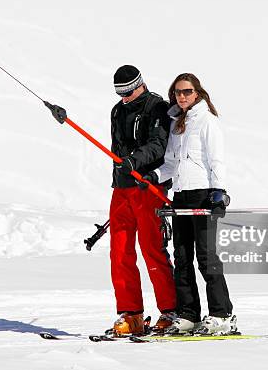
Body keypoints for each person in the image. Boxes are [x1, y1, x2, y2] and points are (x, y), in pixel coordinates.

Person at [142, 73, 236, 335]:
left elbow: (217, 159)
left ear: (197, 93)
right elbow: (171, 164)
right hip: (181, 196)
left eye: (187, 91)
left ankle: (222, 314)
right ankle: (188, 315)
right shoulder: (176, 124)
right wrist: (154, 177)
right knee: (182, 257)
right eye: (177, 92)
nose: (181, 96)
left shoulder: (207, 121)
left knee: (206, 257)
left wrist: (219, 191)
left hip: (203, 195)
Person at [108, 65, 177, 335]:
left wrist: (134, 162)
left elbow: (158, 145)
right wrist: (122, 168)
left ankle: (170, 311)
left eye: (128, 91)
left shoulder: (157, 107)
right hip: (122, 189)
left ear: (141, 84)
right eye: (119, 93)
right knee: (120, 252)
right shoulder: (117, 110)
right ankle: (132, 314)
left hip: (149, 187)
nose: (124, 97)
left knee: (152, 249)